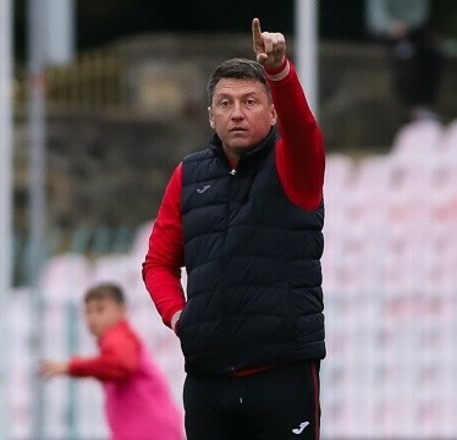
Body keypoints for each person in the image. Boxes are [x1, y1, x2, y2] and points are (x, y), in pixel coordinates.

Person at [142, 18, 325, 440]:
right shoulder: (188, 175)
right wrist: (180, 317)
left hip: (281, 373)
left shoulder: (294, 164)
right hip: (208, 379)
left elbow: (304, 130)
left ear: (273, 112)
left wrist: (279, 72)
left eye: (250, 102)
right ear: (211, 116)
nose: (237, 113)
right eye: (225, 103)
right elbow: (158, 264)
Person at [39, 283, 183, 440]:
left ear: (122, 311)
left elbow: (118, 364)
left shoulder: (118, 336)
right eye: (88, 311)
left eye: (100, 309)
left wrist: (71, 366)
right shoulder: (118, 339)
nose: (93, 317)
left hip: (148, 431)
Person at [366, 0, 444, 121]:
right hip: (385, 34)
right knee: (406, 59)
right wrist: (392, 27)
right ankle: (412, 104)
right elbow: (377, 18)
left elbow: (420, 15)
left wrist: (407, 26)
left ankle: (424, 105)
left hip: (412, 33)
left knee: (432, 55)